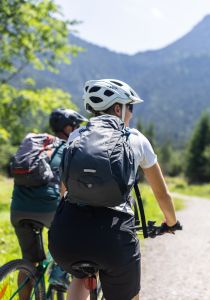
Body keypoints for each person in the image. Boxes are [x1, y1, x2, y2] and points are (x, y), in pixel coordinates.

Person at [48, 79, 181, 300]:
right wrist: (171, 222)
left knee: (80, 277)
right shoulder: (136, 139)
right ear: (118, 108)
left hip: (67, 237)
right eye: (131, 107)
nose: (131, 114)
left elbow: (65, 189)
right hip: (113, 239)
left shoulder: (76, 136)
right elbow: (162, 194)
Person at [10, 108, 87, 300]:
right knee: (70, 239)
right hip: (49, 209)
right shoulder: (68, 147)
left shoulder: (37, 145)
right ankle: (59, 275)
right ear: (68, 128)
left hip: (18, 209)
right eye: (75, 127)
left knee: (30, 261)